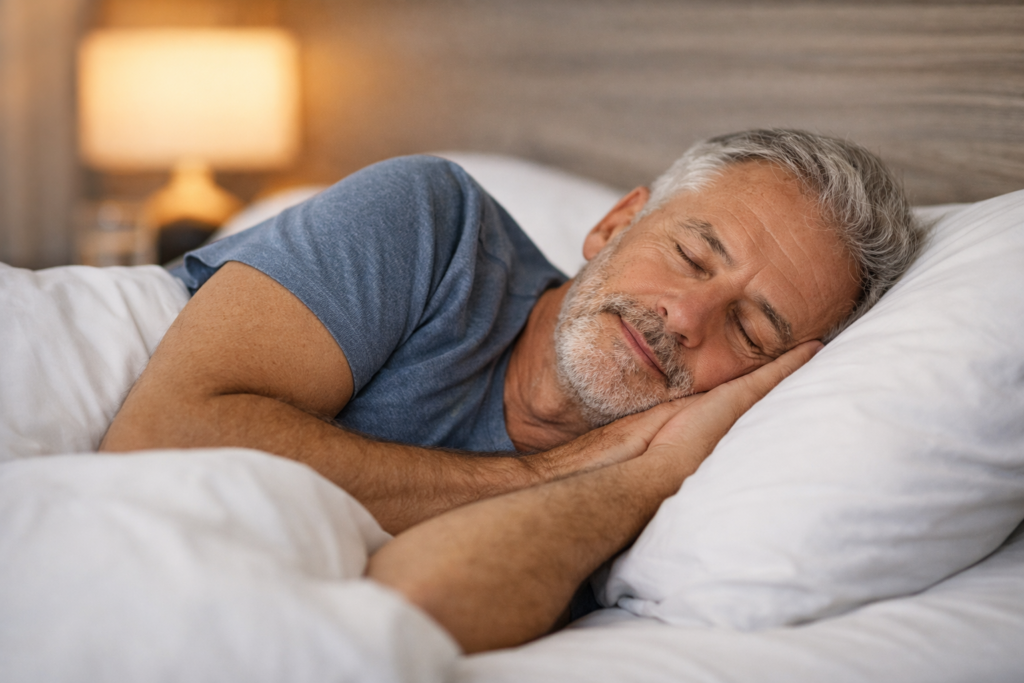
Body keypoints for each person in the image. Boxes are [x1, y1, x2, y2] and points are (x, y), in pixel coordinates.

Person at [99, 130, 920, 648]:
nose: (686, 315)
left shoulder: (673, 496)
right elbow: (156, 443)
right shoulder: (432, 222)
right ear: (613, 224)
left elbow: (413, 602)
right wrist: (554, 472)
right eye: (691, 255)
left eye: (751, 331)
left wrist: (640, 476)